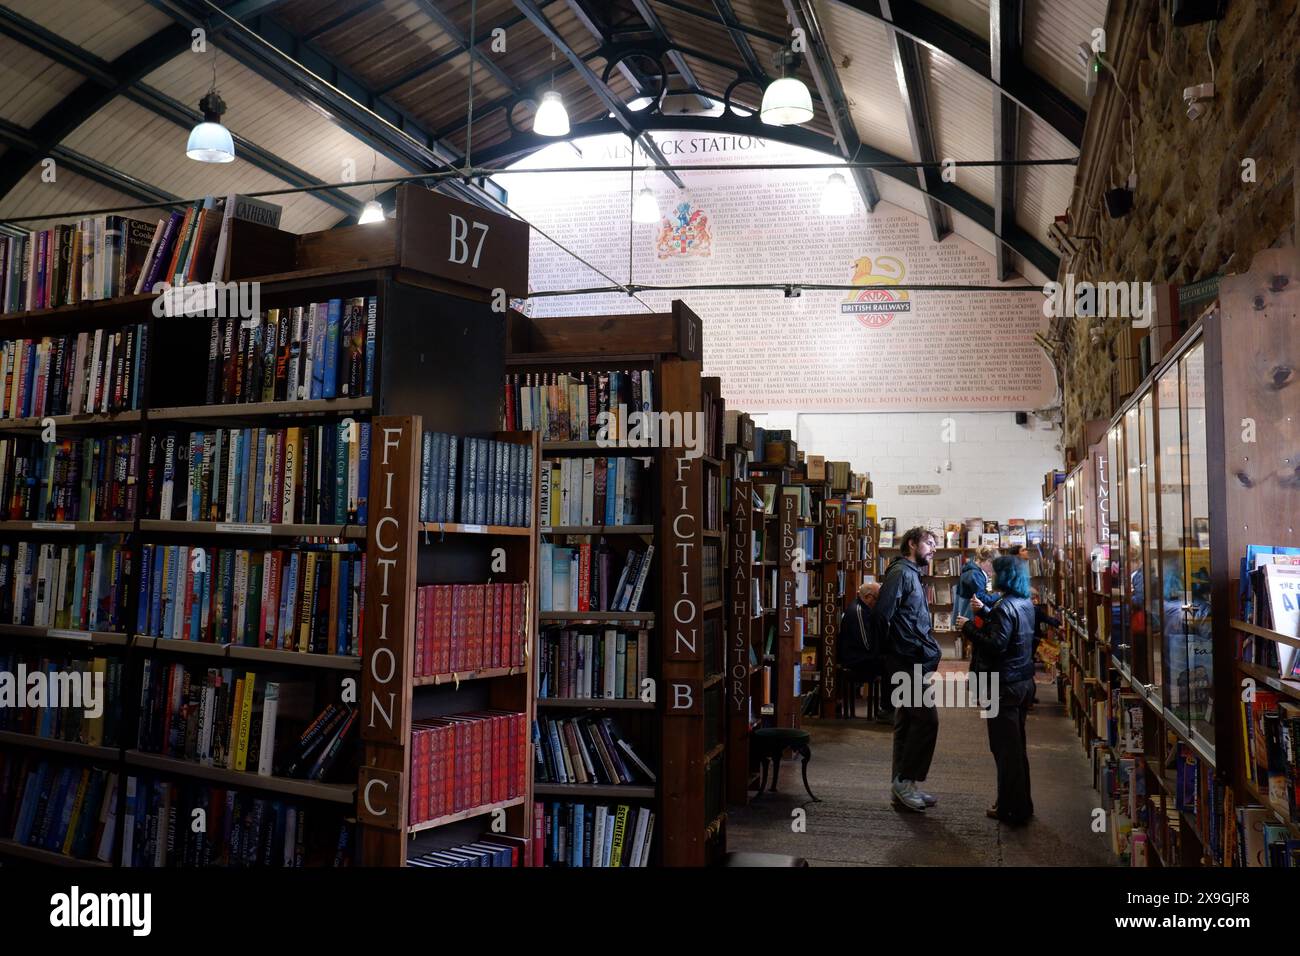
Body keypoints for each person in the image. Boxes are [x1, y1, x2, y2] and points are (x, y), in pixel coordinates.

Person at [958, 555, 1036, 825]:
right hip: (1022, 682)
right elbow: (1010, 634)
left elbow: (995, 645)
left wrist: (968, 627)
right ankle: (1022, 803)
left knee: (1004, 750)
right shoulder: (1025, 603)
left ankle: (1009, 807)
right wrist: (985, 614)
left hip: (1002, 685)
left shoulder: (1005, 606)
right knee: (1016, 748)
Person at [876, 526, 942, 812]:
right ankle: (904, 782)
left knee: (908, 722)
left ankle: (903, 785)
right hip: (906, 661)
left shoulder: (912, 574)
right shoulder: (901, 573)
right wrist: (892, 654)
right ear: (912, 544)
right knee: (927, 721)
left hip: (914, 659)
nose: (933, 549)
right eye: (929, 543)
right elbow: (882, 616)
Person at [838, 581, 894, 722]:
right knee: (890, 664)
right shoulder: (857, 612)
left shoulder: (865, 610)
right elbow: (867, 644)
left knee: (892, 661)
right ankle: (887, 709)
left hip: (863, 656)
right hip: (856, 659)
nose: (879, 602)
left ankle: (890, 707)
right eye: (878, 598)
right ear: (869, 597)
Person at [954, 546, 998, 624]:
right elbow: (980, 599)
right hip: (971, 616)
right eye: (994, 566)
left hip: (966, 613)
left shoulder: (972, 570)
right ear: (988, 561)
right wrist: (998, 595)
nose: (993, 570)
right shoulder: (975, 574)